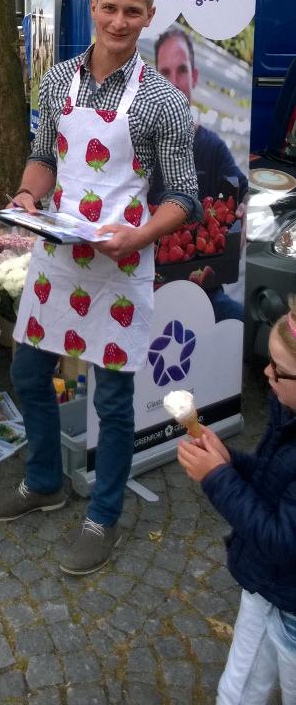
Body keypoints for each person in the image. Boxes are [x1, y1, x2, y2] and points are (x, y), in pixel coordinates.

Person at [0, 0, 201, 576]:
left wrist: (139, 236)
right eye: (110, 7)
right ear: (94, 7)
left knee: (114, 398)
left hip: (119, 262)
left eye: (133, 10)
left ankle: (102, 515)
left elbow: (185, 195)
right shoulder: (56, 83)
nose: (120, 20)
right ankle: (46, 479)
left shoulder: (162, 100)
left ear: (149, 16)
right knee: (26, 372)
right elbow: (43, 156)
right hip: (57, 254)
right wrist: (27, 197)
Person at [178, 297, 296, 705]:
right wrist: (232, 462)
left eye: (278, 369)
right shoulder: (287, 409)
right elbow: (273, 483)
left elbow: (283, 540)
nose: (265, 372)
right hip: (271, 587)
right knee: (239, 690)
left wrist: (217, 478)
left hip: (285, 600)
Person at [149, 27, 248, 322]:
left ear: (194, 76)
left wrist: (235, 236)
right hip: (145, 286)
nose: (174, 83)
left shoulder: (212, 147)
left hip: (204, 289)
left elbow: (243, 195)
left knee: (240, 323)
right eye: (164, 73)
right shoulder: (138, 145)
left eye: (182, 71)